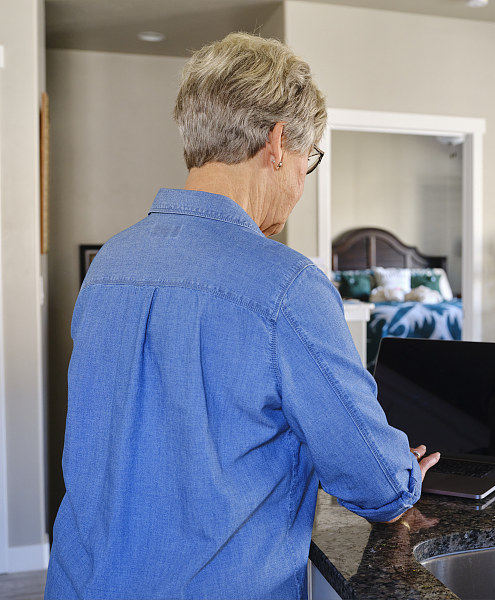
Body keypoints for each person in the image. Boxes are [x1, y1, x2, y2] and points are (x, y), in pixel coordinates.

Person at [45, 32, 439, 600]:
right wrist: (401, 479)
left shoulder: (110, 263)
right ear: (278, 144)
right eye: (309, 161)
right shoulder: (286, 288)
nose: (302, 185)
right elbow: (372, 478)